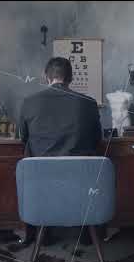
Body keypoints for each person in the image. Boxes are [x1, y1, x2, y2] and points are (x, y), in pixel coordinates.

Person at [19, 57, 102, 245]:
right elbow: (98, 139)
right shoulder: (88, 103)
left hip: (42, 181)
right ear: (71, 78)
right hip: (80, 180)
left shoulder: (29, 102)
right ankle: (87, 232)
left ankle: (44, 231)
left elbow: (22, 139)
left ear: (45, 77)